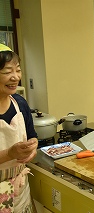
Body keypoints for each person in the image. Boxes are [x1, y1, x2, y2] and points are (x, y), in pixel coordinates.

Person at [0, 44, 38, 212]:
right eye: (7, 72)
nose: (15, 77)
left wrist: (32, 148)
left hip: (20, 190)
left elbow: (32, 137)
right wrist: (10, 154)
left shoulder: (19, 103)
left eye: (18, 70)